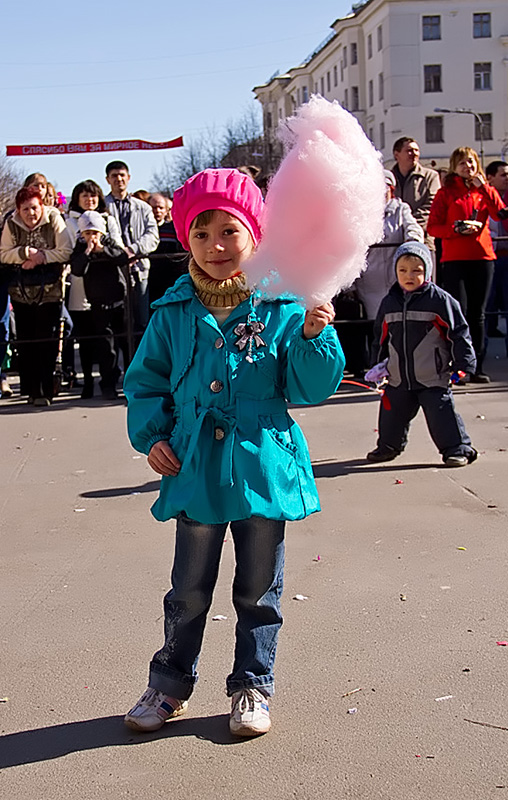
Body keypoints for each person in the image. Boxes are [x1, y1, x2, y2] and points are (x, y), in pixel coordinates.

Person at [122, 168, 344, 737]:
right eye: (201, 233)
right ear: (184, 239)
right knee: (189, 589)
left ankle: (252, 684)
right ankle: (169, 683)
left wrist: (316, 336)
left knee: (258, 588)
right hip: (196, 468)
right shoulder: (172, 311)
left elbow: (308, 388)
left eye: (230, 230)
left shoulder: (283, 302)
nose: (216, 246)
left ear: (255, 233)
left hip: (262, 466)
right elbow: (145, 382)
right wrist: (154, 436)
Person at [366, 241, 477, 468]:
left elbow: (459, 333)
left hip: (432, 375)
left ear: (427, 270)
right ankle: (388, 445)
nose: (409, 276)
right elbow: (381, 336)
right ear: (395, 272)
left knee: (441, 415)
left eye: (417, 270)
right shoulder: (389, 302)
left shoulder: (440, 300)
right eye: (403, 270)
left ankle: (457, 449)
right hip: (398, 376)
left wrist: (463, 363)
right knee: (391, 414)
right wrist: (377, 364)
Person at [427, 146, 506, 382]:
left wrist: (486, 188)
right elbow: (433, 226)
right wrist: (453, 229)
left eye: (471, 162)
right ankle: (459, 365)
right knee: (457, 313)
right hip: (454, 258)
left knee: (478, 314)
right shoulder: (446, 193)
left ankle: (477, 366)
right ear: (454, 167)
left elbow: (500, 213)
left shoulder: (484, 191)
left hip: (482, 256)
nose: (467, 167)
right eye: (462, 163)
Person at [0, 186, 72, 405]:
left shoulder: (54, 219)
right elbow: (4, 253)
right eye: (25, 209)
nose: (31, 214)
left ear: (41, 206)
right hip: (21, 290)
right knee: (26, 340)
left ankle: (45, 390)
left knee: (47, 339)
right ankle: (31, 390)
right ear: (18, 210)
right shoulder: (11, 224)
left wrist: (41, 256)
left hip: (49, 289)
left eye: (34, 208)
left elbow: (65, 249)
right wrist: (24, 253)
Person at [66, 179, 124, 398]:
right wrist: (88, 251)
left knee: (119, 342)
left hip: (113, 297)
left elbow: (120, 256)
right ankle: (93, 382)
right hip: (86, 296)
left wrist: (103, 250)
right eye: (84, 196)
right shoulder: (72, 227)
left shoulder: (109, 234)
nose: (89, 200)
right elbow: (77, 267)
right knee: (92, 341)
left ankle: (116, 382)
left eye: (93, 196)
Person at [355, 170, 423, 320]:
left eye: (385, 189)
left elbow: (413, 227)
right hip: (370, 280)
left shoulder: (401, 209)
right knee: (375, 322)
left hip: (394, 276)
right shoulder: (361, 212)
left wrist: (412, 241)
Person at [104, 161, 159, 339]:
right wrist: (120, 254)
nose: (118, 179)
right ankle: (123, 365)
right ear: (107, 180)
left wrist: (133, 250)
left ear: (128, 178)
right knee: (118, 322)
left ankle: (143, 364)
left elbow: (152, 236)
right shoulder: (102, 207)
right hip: (114, 271)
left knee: (142, 321)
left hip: (139, 270)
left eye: (122, 175)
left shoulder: (142, 207)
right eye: (114, 176)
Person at [391, 137, 440, 249]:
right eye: (409, 150)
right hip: (393, 243)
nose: (414, 154)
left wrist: (410, 226)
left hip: (423, 239)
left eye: (416, 150)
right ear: (396, 155)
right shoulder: (388, 179)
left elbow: (432, 206)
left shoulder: (430, 177)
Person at [147, 193, 187, 306]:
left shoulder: (173, 228)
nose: (157, 211)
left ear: (166, 210)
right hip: (151, 277)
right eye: (154, 208)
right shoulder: (143, 230)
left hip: (170, 276)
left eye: (160, 208)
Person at [485, 160, 508, 350]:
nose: (507, 178)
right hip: (490, 256)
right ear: (490, 178)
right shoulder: (484, 198)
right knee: (488, 303)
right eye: (503, 174)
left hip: (506, 255)